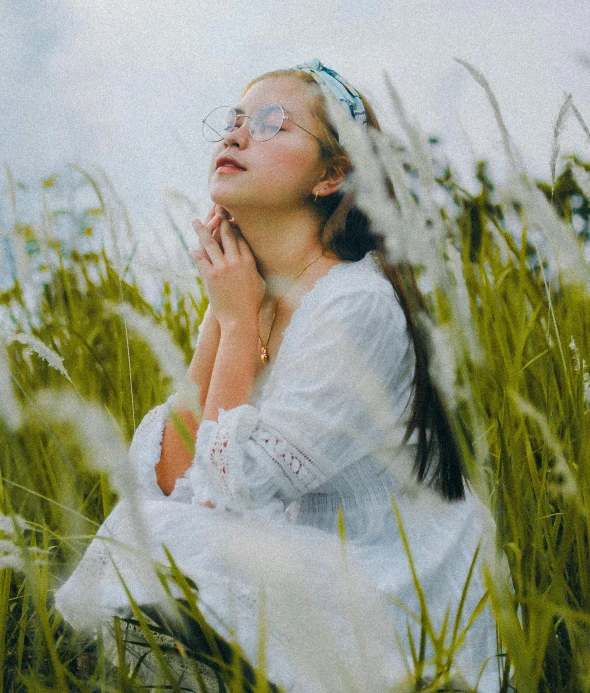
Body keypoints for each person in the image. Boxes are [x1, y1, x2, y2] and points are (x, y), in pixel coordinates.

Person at [55, 60, 501, 692]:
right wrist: (222, 317)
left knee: (146, 538)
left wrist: (237, 328)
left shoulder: (355, 304)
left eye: (270, 123)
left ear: (332, 173)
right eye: (234, 121)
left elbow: (220, 498)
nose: (236, 136)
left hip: (398, 601)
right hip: (314, 571)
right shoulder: (248, 293)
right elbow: (167, 483)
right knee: (139, 534)